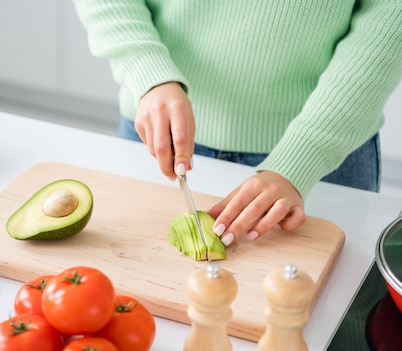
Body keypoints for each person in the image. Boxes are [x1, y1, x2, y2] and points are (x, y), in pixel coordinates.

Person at [72, 1, 402, 245]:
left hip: (323, 147)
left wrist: (301, 159)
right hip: (159, 127)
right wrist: (146, 72)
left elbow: (389, 22)